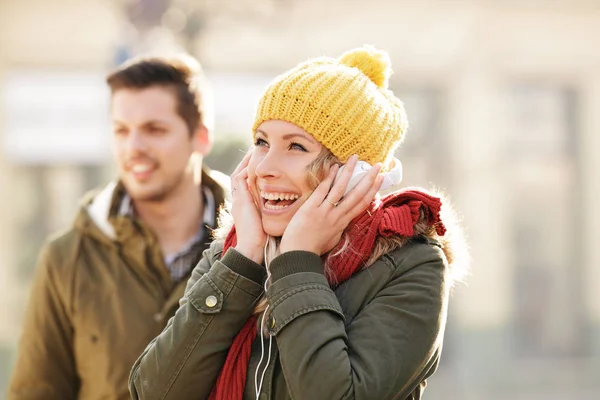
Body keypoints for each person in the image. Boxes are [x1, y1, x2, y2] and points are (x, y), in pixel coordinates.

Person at [129, 46, 467, 400]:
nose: (263, 168)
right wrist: (242, 262)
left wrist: (297, 263)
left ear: (354, 174)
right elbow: (153, 392)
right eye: (261, 142)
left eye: (296, 147)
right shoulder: (232, 254)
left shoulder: (410, 265)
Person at [8, 54, 229, 400]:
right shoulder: (66, 258)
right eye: (121, 131)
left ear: (200, 137)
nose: (133, 148)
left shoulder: (253, 244)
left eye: (154, 130)